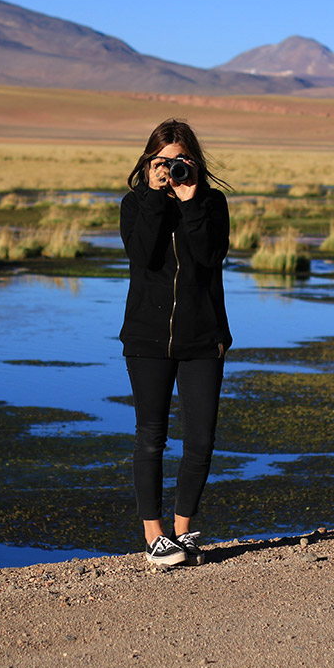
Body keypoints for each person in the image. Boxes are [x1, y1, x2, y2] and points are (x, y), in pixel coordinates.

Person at [119, 118, 232, 566]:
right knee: (150, 437)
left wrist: (190, 203)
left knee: (200, 439)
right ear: (149, 163)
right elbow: (142, 256)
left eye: (180, 162)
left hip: (203, 339)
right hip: (146, 340)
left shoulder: (212, 204)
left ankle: (183, 534)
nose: (171, 170)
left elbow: (207, 258)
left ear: (195, 163)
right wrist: (152, 197)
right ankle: (154, 537)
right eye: (162, 162)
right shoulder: (134, 205)